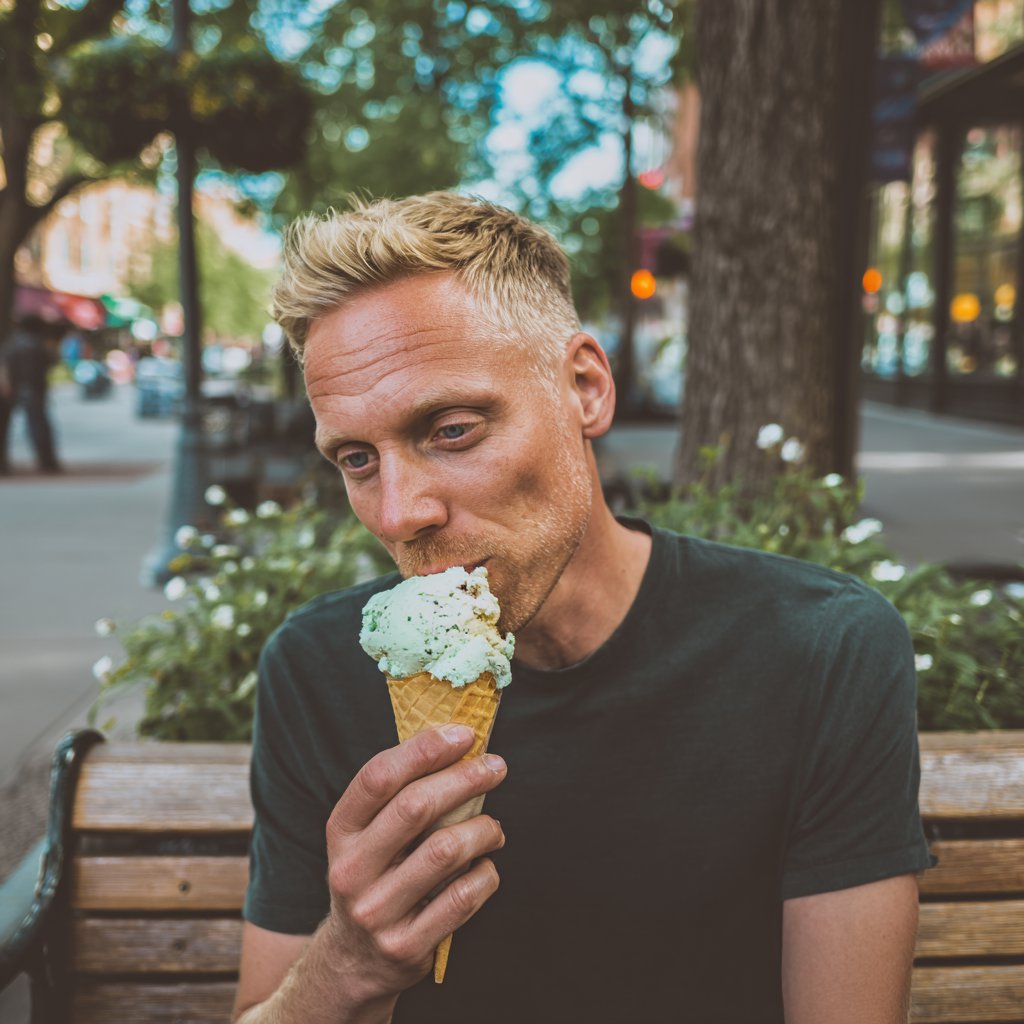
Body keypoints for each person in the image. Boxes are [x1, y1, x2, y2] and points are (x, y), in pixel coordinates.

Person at [234, 193, 934, 1024]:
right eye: (357, 459)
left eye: (451, 430)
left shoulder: (820, 651)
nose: (398, 514)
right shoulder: (315, 669)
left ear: (585, 389)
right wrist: (346, 966)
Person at [0, 315, 61, 474]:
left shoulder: (13, 343)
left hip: (16, 388)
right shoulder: (36, 344)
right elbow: (52, 361)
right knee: (38, 425)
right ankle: (47, 462)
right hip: (32, 388)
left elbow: (5, 365)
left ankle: (4, 464)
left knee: (7, 426)